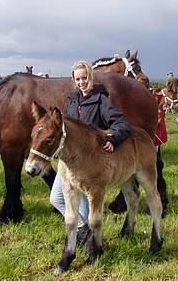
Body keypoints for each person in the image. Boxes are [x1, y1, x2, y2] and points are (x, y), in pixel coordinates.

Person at [50, 61, 130, 243]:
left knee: (85, 208)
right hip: (67, 161)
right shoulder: (72, 100)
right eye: (77, 79)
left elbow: (121, 123)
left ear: (91, 77)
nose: (81, 82)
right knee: (56, 199)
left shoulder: (101, 100)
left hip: (87, 165)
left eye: (84, 78)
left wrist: (113, 139)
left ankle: (90, 242)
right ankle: (83, 231)